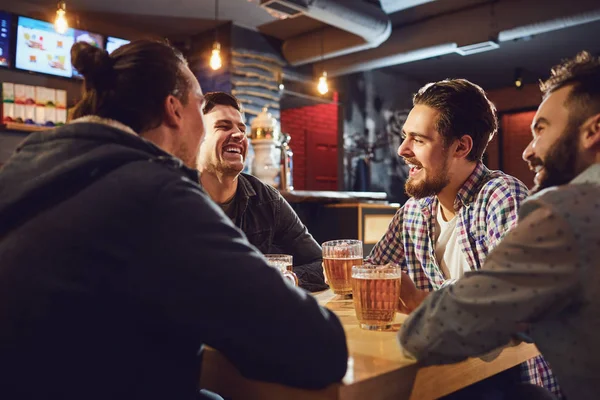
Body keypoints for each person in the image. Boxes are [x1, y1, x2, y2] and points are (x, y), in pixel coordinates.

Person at [0, 41, 347, 400]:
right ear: (174, 111)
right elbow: (320, 347)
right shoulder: (155, 190)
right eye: (201, 106)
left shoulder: (21, 170)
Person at [398, 51, 600, 399]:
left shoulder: (566, 214)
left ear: (594, 131)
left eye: (541, 129)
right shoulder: (417, 208)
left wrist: (420, 300)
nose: (528, 151)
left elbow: (428, 333)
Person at [366, 79, 559, 395]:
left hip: (515, 382)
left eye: (418, 139)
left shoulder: (501, 197)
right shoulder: (414, 211)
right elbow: (373, 274)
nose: (402, 150)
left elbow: (521, 305)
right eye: (405, 138)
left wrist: (418, 302)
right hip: (448, 376)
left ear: (461, 147)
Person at [198, 92, 327, 292]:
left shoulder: (267, 200)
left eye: (241, 129)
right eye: (223, 126)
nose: (239, 134)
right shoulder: (174, 199)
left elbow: (321, 264)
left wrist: (287, 280)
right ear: (196, 138)